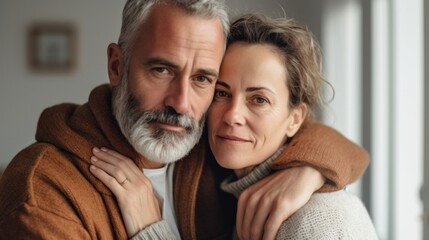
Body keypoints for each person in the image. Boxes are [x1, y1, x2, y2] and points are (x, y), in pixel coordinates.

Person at [0, 1, 368, 239]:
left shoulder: (209, 146)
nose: (181, 103)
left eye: (204, 79)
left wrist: (306, 171)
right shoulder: (44, 191)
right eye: (162, 69)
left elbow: (323, 140)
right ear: (117, 65)